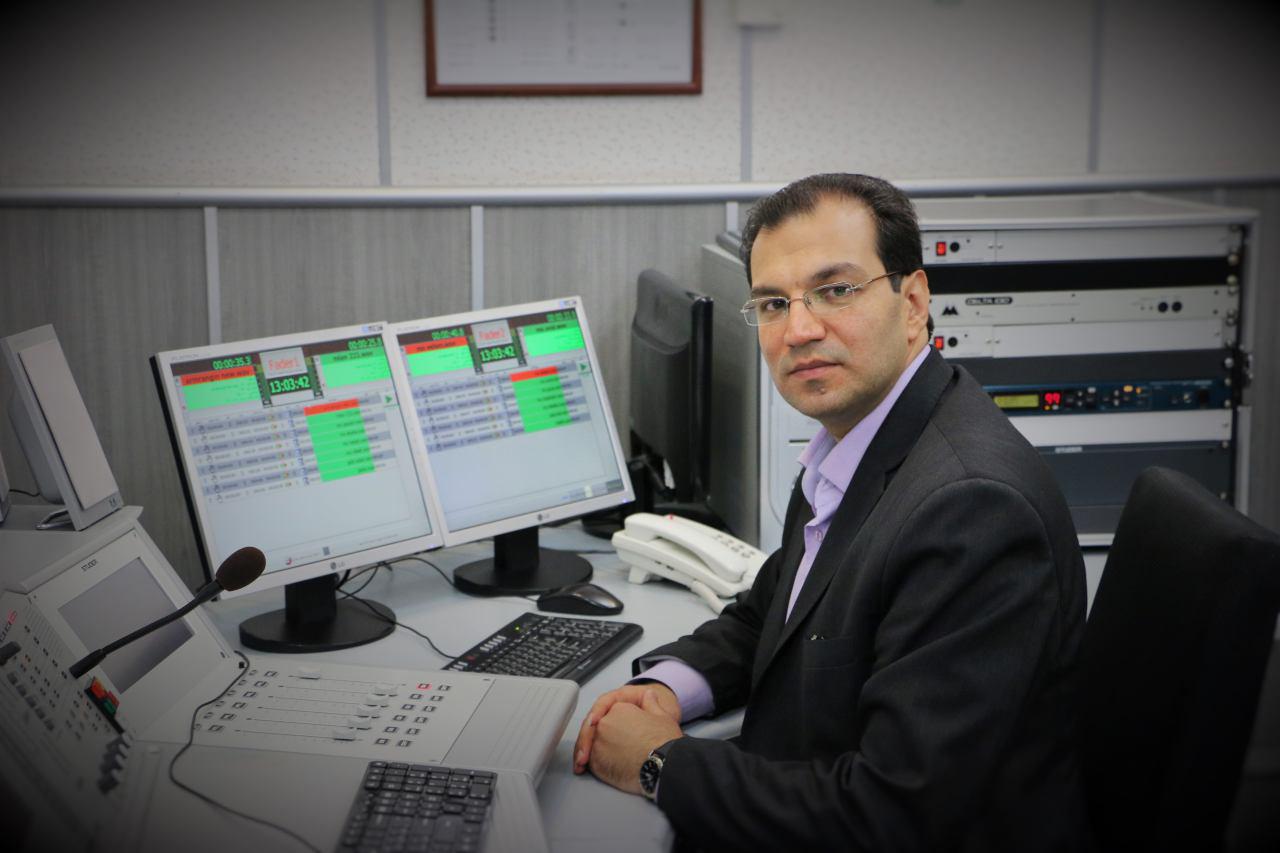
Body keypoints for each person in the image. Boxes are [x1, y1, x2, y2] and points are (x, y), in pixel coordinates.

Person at [572, 173, 1091, 851]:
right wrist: (672, 687)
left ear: (913, 302)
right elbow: (776, 614)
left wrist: (659, 763)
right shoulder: (857, 444)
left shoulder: (972, 509)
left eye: (836, 290)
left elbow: (890, 816)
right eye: (772, 303)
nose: (800, 329)